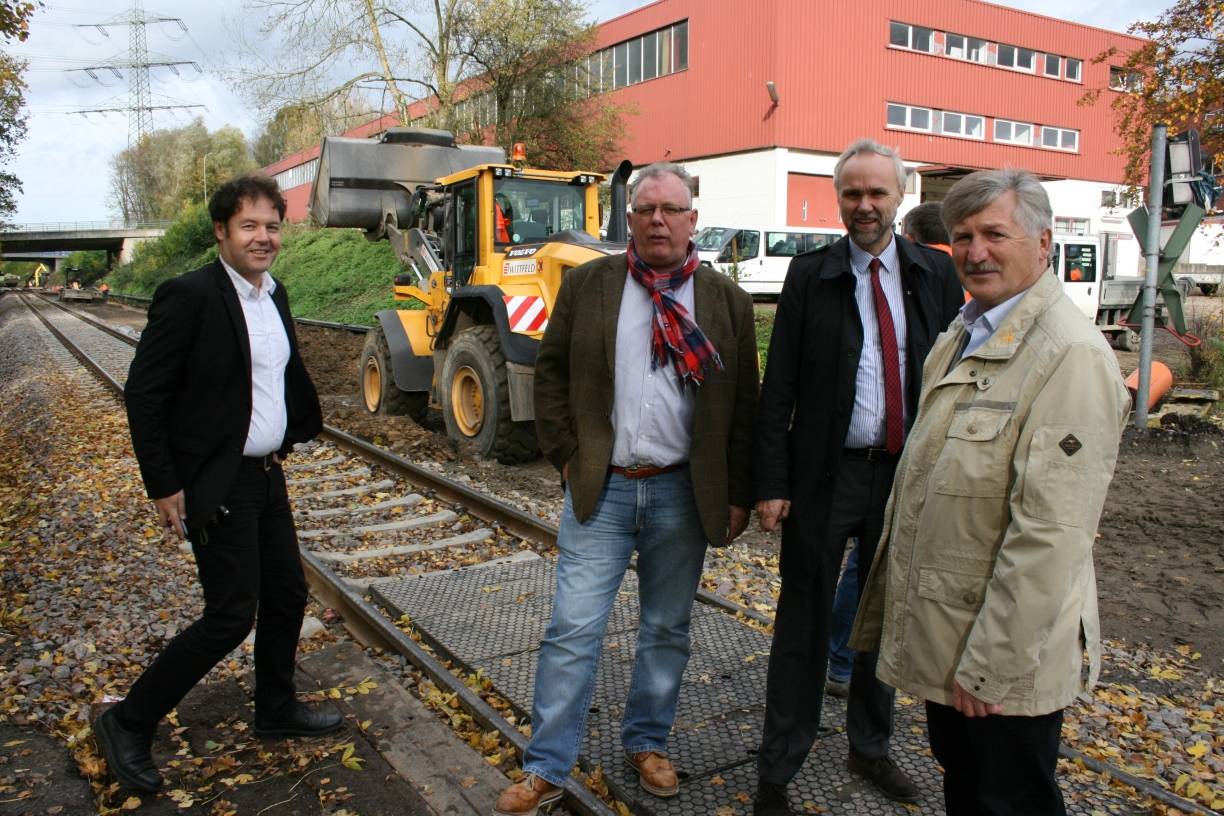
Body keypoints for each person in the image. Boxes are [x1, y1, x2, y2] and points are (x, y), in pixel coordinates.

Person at [851, 169, 1130, 815]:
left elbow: (1051, 534)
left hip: (1000, 656)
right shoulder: (965, 333)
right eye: (964, 236)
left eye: (994, 234)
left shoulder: (1070, 356)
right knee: (968, 790)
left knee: (1010, 800)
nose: (976, 252)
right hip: (954, 639)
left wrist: (992, 664)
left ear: (1043, 242)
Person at [492, 162, 758, 816]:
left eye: (672, 210)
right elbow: (549, 376)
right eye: (646, 211)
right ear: (630, 220)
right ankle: (548, 766)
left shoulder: (726, 301)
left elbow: (745, 406)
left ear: (694, 219)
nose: (659, 221)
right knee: (571, 629)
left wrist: (739, 492)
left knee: (667, 628)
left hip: (680, 495)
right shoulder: (590, 285)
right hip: (602, 491)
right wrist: (567, 456)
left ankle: (646, 742)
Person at [94, 174, 337, 794]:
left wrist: (292, 427)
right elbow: (145, 394)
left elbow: (274, 378)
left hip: (265, 473)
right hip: (218, 477)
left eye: (273, 226)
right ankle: (127, 721)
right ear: (222, 232)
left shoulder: (273, 294)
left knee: (285, 595)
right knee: (231, 614)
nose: (263, 238)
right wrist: (164, 483)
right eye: (250, 226)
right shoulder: (189, 295)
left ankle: (275, 709)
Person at [752, 139, 963, 814]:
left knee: (885, 620)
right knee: (804, 618)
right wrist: (771, 481)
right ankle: (780, 764)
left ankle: (870, 747)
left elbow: (961, 377)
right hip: (825, 476)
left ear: (901, 196)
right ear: (838, 198)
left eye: (877, 193)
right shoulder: (809, 276)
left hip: (905, 477)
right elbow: (778, 384)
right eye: (853, 193)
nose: (865, 205)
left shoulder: (935, 274)